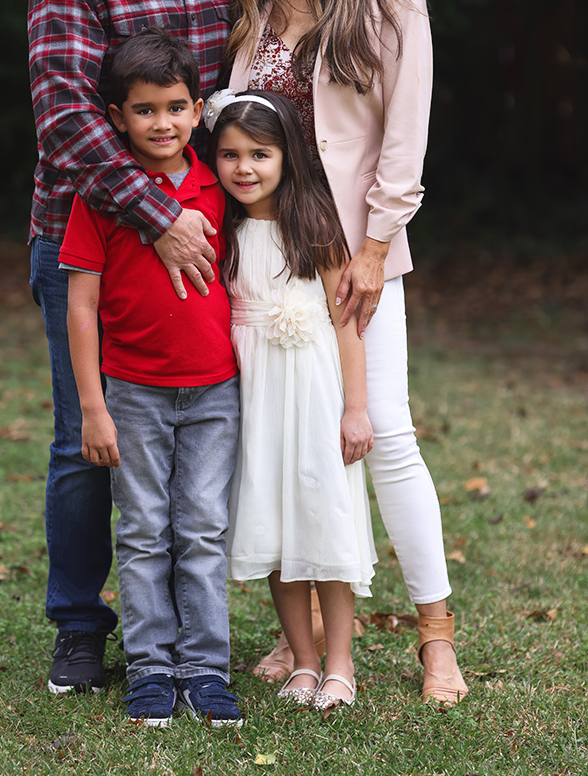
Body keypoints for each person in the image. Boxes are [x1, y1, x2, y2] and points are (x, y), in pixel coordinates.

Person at [223, 0, 469, 705]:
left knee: (386, 432)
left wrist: (373, 248)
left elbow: (406, 136)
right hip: (272, 252)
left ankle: (435, 636)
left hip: (358, 251)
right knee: (284, 435)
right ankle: (311, 640)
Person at [27, 0, 230, 694]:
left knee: (193, 436)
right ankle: (79, 624)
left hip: (200, 238)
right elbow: (67, 120)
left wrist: (210, 216)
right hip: (91, 240)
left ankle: (193, 633)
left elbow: (229, 107)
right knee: (89, 437)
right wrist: (157, 219)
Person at [58, 30, 242, 727]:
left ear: (198, 108)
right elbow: (81, 306)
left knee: (201, 529)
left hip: (216, 391)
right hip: (132, 393)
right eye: (144, 110)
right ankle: (151, 669)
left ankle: (205, 669)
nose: (162, 123)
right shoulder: (102, 196)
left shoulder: (218, 184)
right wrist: (92, 408)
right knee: (141, 531)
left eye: (175, 107)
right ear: (116, 116)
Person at [205, 88, 376, 710]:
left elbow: (347, 325)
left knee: (322, 516)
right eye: (229, 155)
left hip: (313, 390)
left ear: (287, 157)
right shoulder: (220, 228)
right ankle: (301, 659)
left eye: (260, 154)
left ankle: (339, 664)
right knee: (274, 521)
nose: (243, 168)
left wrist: (355, 409)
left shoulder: (316, 225)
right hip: (253, 391)